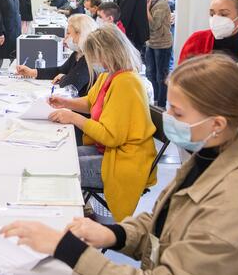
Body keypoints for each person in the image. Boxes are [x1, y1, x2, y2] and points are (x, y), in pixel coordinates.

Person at [0, 54, 238, 275]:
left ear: (216, 124)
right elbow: (163, 223)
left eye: (177, 112)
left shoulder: (234, 205)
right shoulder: (208, 161)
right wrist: (115, 234)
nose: (168, 118)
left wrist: (66, 249)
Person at [45, 24, 158, 221]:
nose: (94, 61)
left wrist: (72, 117)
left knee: (62, 166)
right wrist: (65, 102)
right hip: (110, 151)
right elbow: (92, 103)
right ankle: (80, 214)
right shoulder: (110, 76)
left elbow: (110, 136)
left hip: (125, 160)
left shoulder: (126, 83)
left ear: (109, 53)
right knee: (60, 155)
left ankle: (66, 221)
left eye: (96, 55)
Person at [16, 14, 97, 97]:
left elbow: (70, 86)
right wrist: (32, 72)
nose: (65, 37)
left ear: (80, 34)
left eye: (69, 33)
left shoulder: (88, 59)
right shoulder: (77, 54)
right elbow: (59, 71)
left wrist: (63, 77)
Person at [145, 0, 173, 108]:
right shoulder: (150, 2)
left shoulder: (161, 4)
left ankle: (161, 104)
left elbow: (155, 25)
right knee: (150, 73)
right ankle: (155, 99)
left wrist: (146, 10)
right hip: (151, 43)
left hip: (162, 44)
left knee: (160, 75)